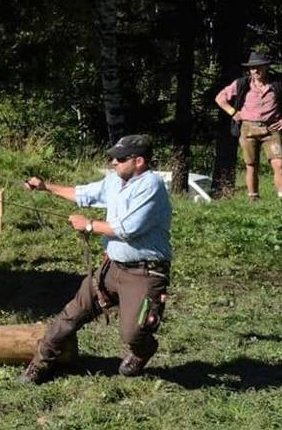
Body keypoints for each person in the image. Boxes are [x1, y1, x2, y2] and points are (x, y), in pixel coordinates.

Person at [19, 135, 172, 384]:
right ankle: (40, 363)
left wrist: (88, 225)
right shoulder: (115, 181)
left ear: (140, 161)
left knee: (133, 333)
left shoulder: (151, 186)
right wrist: (47, 186)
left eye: (120, 159)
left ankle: (143, 350)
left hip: (144, 273)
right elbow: (84, 194)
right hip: (111, 268)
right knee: (71, 314)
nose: (113, 162)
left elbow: (127, 229)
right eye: (113, 157)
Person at [214, 50, 282, 201]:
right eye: (252, 68)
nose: (255, 70)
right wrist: (233, 112)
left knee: (279, 163)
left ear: (266, 67)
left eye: (259, 67)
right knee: (251, 165)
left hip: (272, 129)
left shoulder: (281, 83)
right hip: (248, 129)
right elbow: (220, 98)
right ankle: (253, 198)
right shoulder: (242, 84)